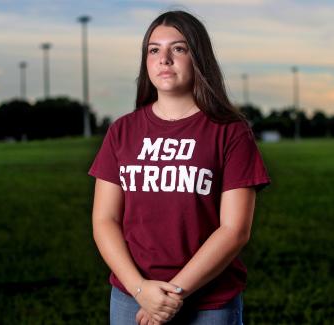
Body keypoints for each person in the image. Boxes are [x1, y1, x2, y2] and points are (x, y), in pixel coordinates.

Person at [88, 10, 271, 325]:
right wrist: (140, 288)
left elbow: (234, 230)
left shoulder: (230, 131)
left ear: (198, 58)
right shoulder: (122, 130)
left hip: (209, 303)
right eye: (154, 49)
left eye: (179, 48)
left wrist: (172, 294)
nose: (165, 59)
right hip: (131, 297)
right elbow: (105, 219)